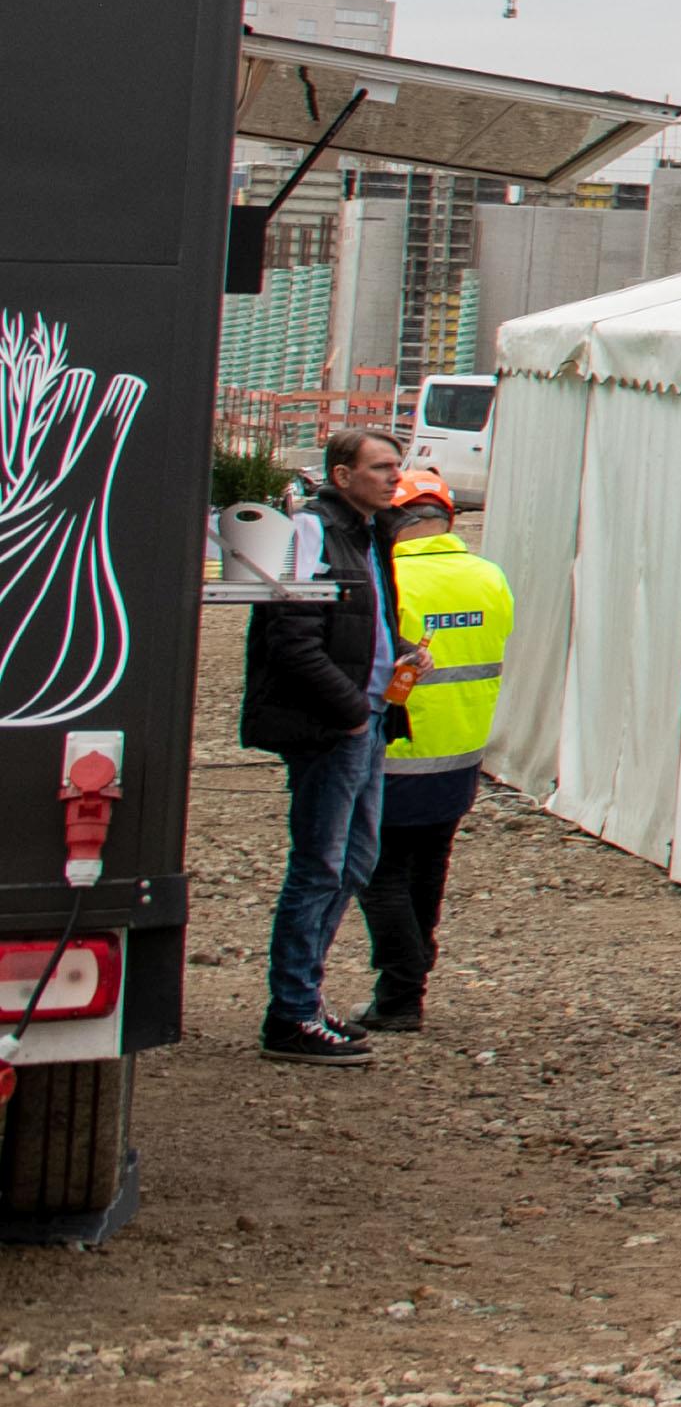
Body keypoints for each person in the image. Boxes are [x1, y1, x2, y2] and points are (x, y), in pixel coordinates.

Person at [240, 427, 414, 1062]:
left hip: (366, 723)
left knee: (354, 862)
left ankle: (304, 1001)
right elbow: (291, 637)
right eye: (381, 466)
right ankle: (289, 1012)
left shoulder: (369, 533)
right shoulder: (310, 532)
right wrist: (347, 712)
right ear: (342, 476)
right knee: (319, 865)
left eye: (397, 465)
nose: (396, 476)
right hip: (335, 729)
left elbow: (358, 624)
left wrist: (398, 659)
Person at [357, 476, 516, 1033]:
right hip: (462, 754)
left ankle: (402, 988)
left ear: (394, 519)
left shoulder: (389, 576)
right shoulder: (488, 576)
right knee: (428, 869)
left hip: (396, 756)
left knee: (380, 874)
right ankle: (406, 990)